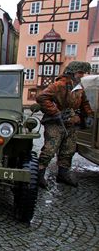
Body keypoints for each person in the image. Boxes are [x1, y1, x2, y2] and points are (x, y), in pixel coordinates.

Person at [36, 61, 93, 189]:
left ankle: (63, 174)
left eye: (82, 73)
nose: (81, 75)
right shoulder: (59, 85)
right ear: (72, 72)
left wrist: (89, 115)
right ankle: (39, 175)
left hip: (72, 123)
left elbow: (85, 102)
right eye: (80, 73)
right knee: (49, 150)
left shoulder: (78, 87)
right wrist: (55, 112)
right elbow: (42, 97)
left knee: (68, 150)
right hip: (55, 123)